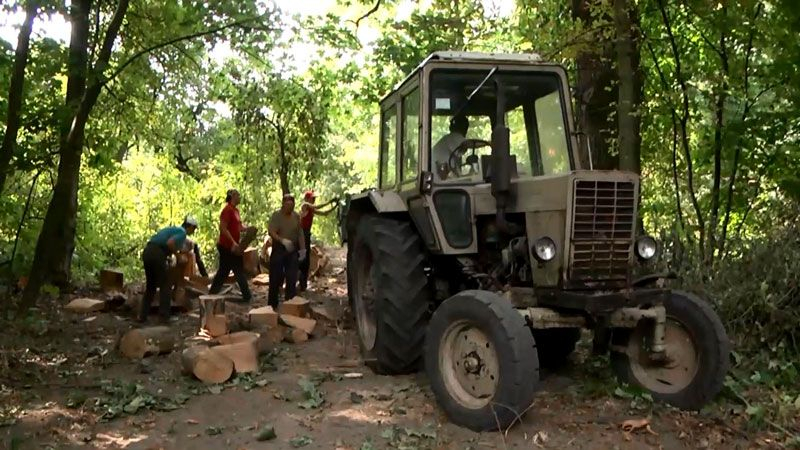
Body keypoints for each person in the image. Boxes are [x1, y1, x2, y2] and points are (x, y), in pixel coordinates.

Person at [139, 216, 198, 323]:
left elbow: (167, 244)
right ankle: (164, 317)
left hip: (148, 252)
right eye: (194, 229)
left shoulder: (174, 229)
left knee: (151, 286)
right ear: (189, 227)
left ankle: (142, 316)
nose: (193, 232)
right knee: (165, 285)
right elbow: (170, 243)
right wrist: (178, 256)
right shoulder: (182, 233)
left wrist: (171, 256)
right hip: (157, 253)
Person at [209, 189, 252, 303]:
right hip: (226, 246)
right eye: (238, 195)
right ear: (232, 196)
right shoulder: (227, 210)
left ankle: (212, 293)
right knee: (237, 269)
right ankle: (247, 296)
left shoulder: (236, 211)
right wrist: (233, 242)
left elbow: (239, 227)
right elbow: (223, 228)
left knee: (224, 271)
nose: (239, 197)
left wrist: (248, 229)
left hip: (234, 247)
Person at [267, 194, 306, 309]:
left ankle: (290, 304)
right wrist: (282, 240)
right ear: (283, 204)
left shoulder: (296, 217)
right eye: (288, 204)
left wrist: (303, 249)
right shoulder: (277, 216)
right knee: (275, 277)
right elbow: (271, 231)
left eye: (292, 205)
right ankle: (272, 305)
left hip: (292, 250)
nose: (290, 207)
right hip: (279, 248)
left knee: (292, 277)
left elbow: (300, 233)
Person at [297, 190, 336, 292]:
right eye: (312, 198)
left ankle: (303, 285)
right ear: (307, 198)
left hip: (306, 234)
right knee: (302, 259)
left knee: (306, 261)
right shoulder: (305, 205)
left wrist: (334, 206)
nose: (314, 200)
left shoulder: (311, 209)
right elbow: (317, 207)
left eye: (314, 198)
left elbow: (324, 213)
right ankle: (298, 283)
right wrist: (329, 201)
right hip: (301, 234)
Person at [432, 115, 469, 180]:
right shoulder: (454, 136)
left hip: (442, 178)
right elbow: (469, 144)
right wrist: (488, 143)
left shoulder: (449, 144)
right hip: (439, 181)